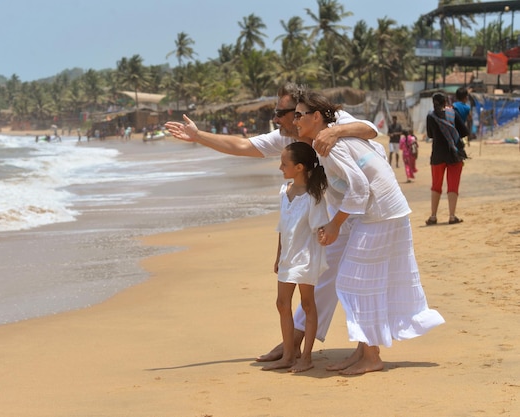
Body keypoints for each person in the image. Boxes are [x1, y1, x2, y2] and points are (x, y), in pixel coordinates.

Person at [164, 82, 379, 362]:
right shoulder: (287, 138)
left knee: (356, 277)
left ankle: (358, 350)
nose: (276, 119)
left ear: (302, 112)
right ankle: (295, 343)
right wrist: (198, 136)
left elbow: (370, 129)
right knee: (325, 276)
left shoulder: (330, 121)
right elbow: (243, 145)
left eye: (281, 112)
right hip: (337, 209)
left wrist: (334, 131)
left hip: (369, 203)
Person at [294, 89, 445, 375]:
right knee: (359, 281)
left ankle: (372, 356)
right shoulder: (329, 139)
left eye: (300, 115)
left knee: (353, 282)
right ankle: (363, 351)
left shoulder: (331, 144)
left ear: (316, 117)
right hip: (382, 211)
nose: (295, 120)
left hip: (382, 213)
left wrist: (335, 224)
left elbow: (360, 188)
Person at [262, 142, 329, 373]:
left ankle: (306, 357)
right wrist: (278, 255)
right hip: (288, 257)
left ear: (299, 167)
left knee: (308, 304)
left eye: (284, 164)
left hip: (306, 256)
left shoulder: (314, 196)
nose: (281, 167)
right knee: (282, 303)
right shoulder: (285, 191)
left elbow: (321, 226)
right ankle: (289, 355)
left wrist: (324, 236)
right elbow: (283, 227)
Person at [425, 92, 469, 226]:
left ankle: (433, 216)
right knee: (453, 185)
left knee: (436, 185)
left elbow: (430, 135)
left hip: (437, 155)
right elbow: (464, 131)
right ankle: (452, 216)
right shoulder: (453, 114)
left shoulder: (430, 116)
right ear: (446, 102)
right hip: (454, 155)